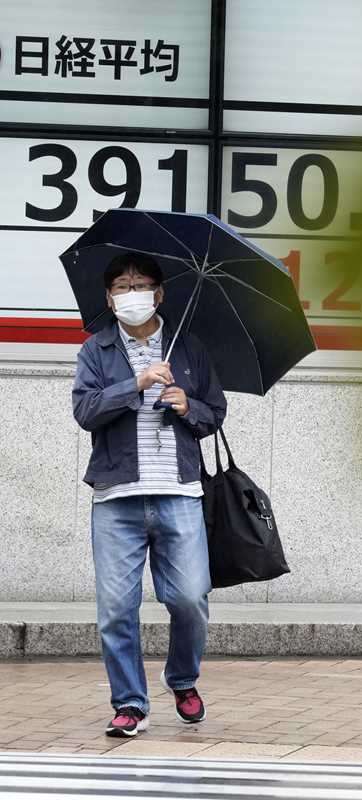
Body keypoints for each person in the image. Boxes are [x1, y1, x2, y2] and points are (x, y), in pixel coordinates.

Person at [72, 252, 226, 737]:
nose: (131, 293)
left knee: (190, 598)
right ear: (109, 298)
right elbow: (85, 411)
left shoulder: (189, 348)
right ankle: (130, 703)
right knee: (116, 609)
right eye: (122, 286)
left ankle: (181, 678)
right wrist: (135, 384)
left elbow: (215, 412)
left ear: (159, 294)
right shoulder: (95, 350)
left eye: (140, 285)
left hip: (178, 492)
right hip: (116, 497)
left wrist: (187, 406)